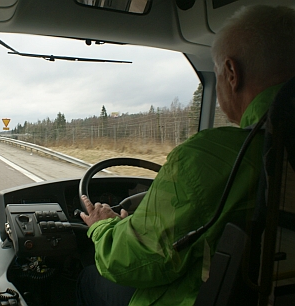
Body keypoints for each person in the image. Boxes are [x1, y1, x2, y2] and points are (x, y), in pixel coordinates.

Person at [76, 5, 295, 306]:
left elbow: (129, 261)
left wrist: (103, 227)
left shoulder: (205, 159)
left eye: (217, 74)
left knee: (89, 277)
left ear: (232, 73)